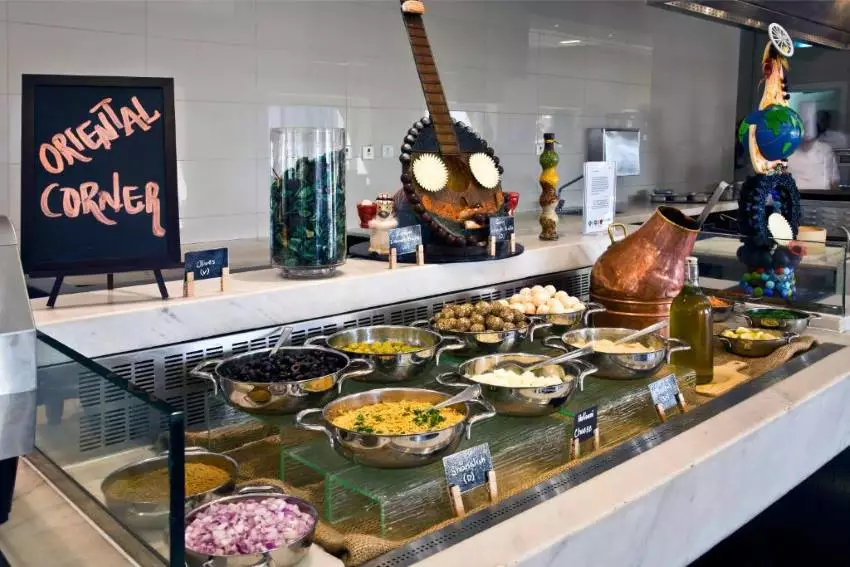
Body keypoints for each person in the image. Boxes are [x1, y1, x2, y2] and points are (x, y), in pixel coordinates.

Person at [788, 102, 839, 190]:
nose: (807, 141)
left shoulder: (826, 150)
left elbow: (834, 182)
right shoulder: (788, 152)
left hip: (822, 197)